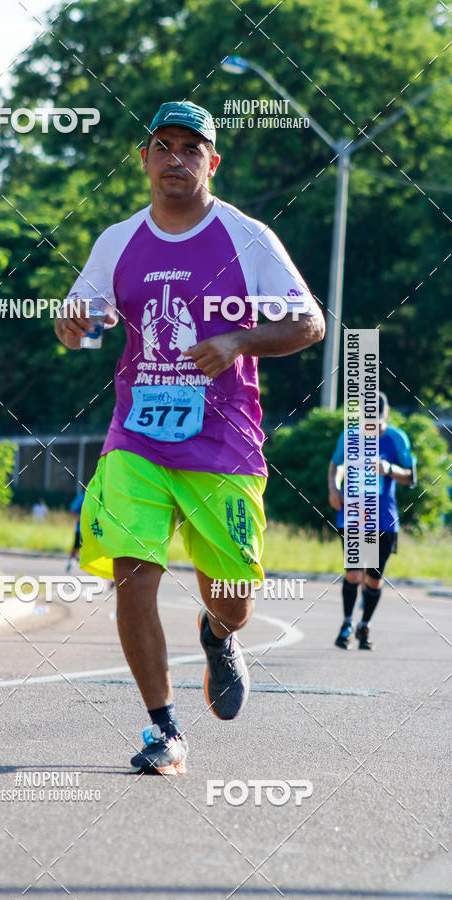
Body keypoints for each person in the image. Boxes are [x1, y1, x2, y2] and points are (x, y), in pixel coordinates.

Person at [55, 100, 325, 775]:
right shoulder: (118, 241)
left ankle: (217, 633)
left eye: (190, 148)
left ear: (212, 161)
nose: (175, 158)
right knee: (132, 573)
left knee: (230, 594)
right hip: (137, 436)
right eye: (163, 146)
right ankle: (163, 729)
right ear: (144, 159)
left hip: (223, 440)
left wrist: (238, 338)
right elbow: (85, 314)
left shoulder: (248, 237)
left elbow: (309, 323)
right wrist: (75, 322)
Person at [329, 392, 416, 651]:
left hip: (383, 518)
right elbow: (336, 465)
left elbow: (411, 476)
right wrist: (334, 489)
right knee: (354, 572)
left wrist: (389, 469)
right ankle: (346, 624)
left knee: (374, 578)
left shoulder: (397, 438)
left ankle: (364, 624)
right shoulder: (350, 436)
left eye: (375, 423)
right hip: (353, 514)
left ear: (384, 415)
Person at [66, 492, 85, 573]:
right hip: (80, 529)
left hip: (94, 530)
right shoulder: (82, 497)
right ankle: (70, 562)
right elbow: (72, 511)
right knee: (76, 547)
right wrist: (83, 519)